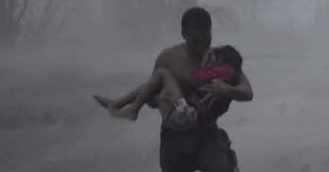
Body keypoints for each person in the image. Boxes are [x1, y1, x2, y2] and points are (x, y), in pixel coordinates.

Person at [96, 7, 253, 172]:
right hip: (175, 139)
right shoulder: (169, 58)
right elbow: (151, 93)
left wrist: (227, 89)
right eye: (196, 40)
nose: (202, 45)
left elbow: (247, 92)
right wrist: (159, 101)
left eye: (207, 37)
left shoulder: (221, 58)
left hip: (208, 135)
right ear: (184, 34)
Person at [94, 45, 243, 130]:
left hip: (188, 115)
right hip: (192, 119)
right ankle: (117, 104)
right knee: (153, 87)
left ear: (222, 60)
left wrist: (196, 68)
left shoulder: (222, 72)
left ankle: (133, 109)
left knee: (162, 73)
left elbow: (195, 79)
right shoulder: (229, 78)